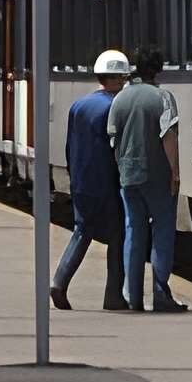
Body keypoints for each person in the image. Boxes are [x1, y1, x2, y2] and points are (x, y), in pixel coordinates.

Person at [48, 49, 132, 311]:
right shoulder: (114, 108)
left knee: (82, 231)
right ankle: (113, 296)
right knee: (118, 235)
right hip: (107, 183)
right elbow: (117, 149)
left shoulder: (79, 105)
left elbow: (69, 145)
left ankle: (59, 282)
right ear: (118, 79)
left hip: (82, 182)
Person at [106, 45, 186, 314]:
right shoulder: (162, 97)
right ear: (159, 69)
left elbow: (113, 138)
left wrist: (122, 166)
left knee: (134, 231)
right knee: (162, 232)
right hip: (157, 176)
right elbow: (169, 137)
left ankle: (133, 295)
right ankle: (160, 293)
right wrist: (175, 172)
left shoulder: (120, 99)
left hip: (128, 175)